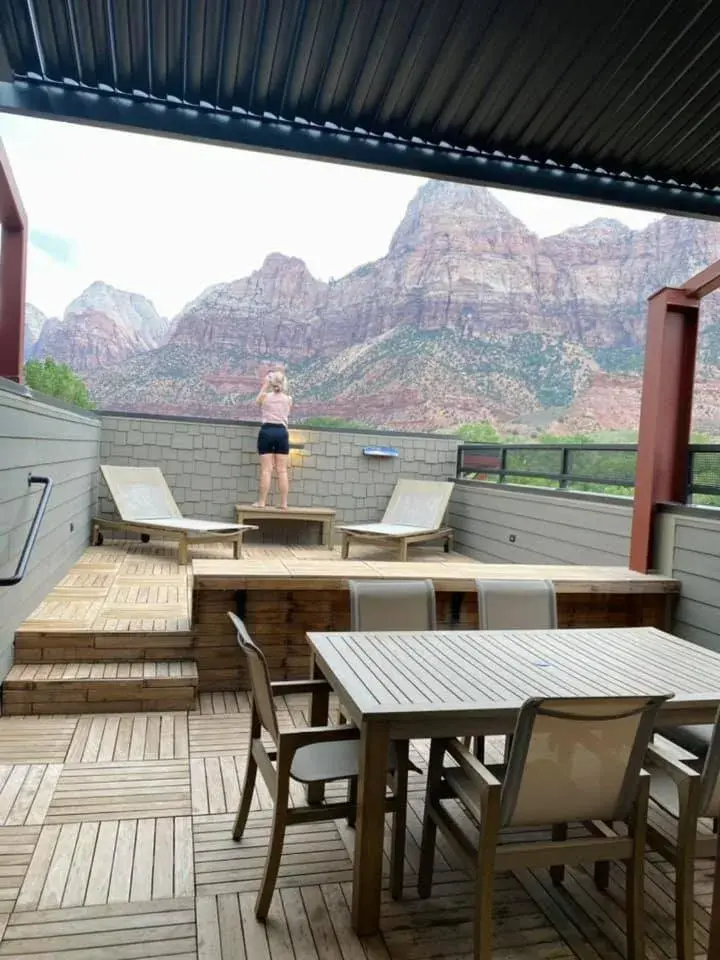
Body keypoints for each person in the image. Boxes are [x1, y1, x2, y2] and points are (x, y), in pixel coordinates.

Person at [254, 370, 292, 509]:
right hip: (281, 432)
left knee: (266, 470)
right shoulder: (288, 399)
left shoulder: (264, 397)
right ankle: (284, 503)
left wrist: (265, 385)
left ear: (271, 383)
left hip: (267, 432)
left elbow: (256, 401)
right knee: (282, 470)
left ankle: (262, 502)